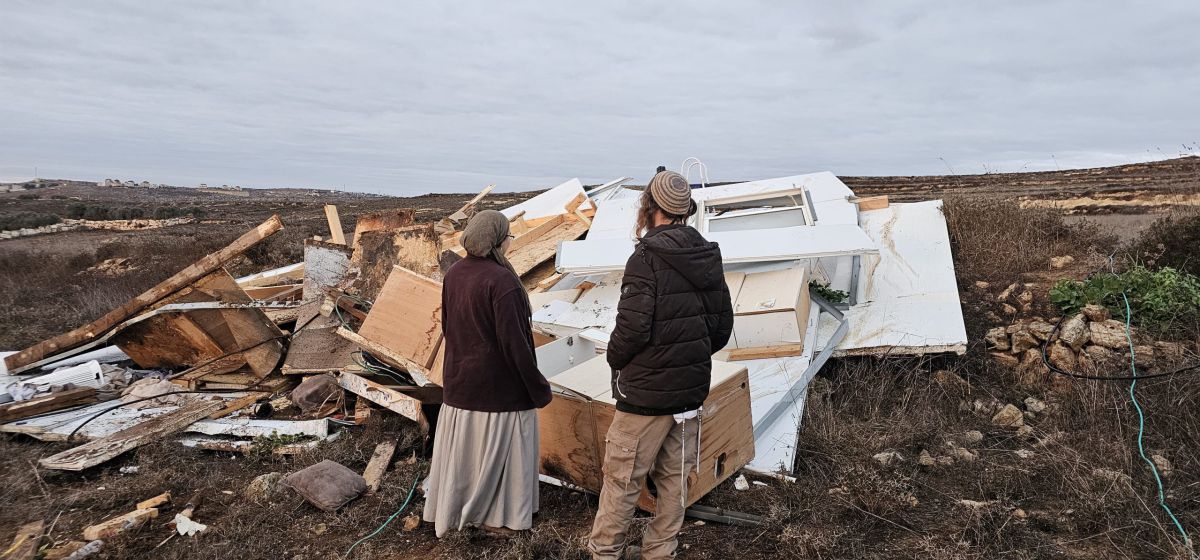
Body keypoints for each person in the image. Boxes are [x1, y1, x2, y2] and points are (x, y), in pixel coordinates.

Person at [589, 170, 734, 559]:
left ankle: (605, 553)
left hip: (646, 396)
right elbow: (722, 327)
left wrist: (615, 360)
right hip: (688, 393)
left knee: (622, 480)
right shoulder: (707, 255)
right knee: (674, 481)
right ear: (685, 211)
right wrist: (690, 357)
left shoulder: (646, 258)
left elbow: (632, 328)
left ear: (650, 209)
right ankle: (660, 552)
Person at [422, 209, 553, 538]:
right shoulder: (502, 281)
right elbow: (516, 346)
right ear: (496, 241)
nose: (510, 243)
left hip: (461, 385)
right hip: (499, 392)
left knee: (466, 458)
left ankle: (454, 509)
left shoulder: (455, 274)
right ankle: (500, 516)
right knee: (503, 457)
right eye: (508, 237)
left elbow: (450, 329)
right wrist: (537, 388)